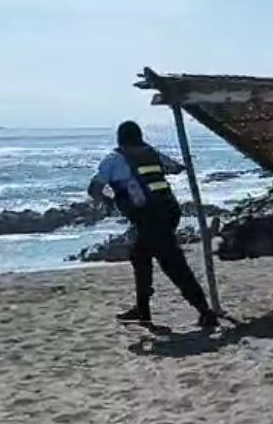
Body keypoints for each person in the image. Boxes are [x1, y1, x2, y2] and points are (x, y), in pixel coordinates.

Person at [88, 121, 217, 327]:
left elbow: (93, 189)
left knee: (173, 264)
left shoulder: (114, 159)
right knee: (140, 256)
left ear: (120, 139)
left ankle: (205, 311)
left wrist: (110, 203)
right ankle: (142, 309)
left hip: (150, 218)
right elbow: (176, 168)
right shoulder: (152, 153)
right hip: (170, 212)